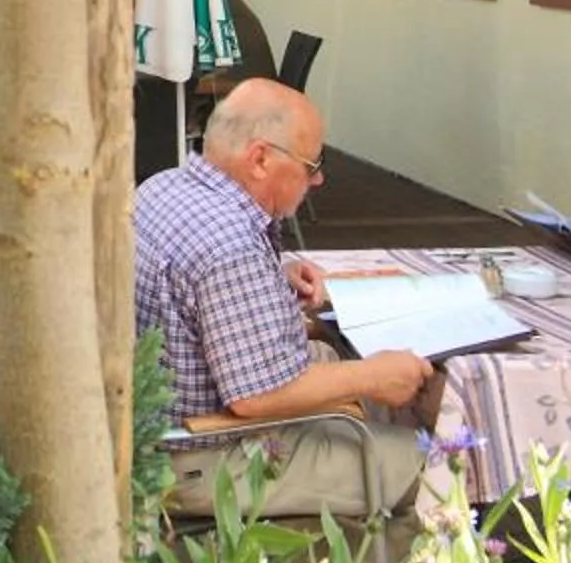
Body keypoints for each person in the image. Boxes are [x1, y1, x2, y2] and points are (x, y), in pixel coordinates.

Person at [136, 79, 431, 520]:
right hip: (206, 458)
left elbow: (195, 292)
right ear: (259, 158)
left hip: (154, 427)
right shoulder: (229, 244)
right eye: (311, 164)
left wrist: (272, 278)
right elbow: (257, 398)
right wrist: (373, 377)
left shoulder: (166, 187)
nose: (318, 178)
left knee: (334, 359)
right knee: (438, 461)